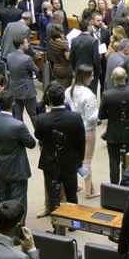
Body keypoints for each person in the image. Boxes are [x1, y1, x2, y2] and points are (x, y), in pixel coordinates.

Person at [34, 82, 85, 214]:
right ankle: (73, 222)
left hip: (51, 162)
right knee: (71, 194)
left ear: (49, 99)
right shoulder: (75, 117)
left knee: (53, 196)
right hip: (70, 162)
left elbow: (38, 136)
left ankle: (56, 226)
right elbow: (81, 141)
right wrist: (79, 160)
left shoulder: (41, 119)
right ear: (64, 98)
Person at [0, 91, 35, 214]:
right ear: (13, 103)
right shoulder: (18, 125)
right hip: (17, 168)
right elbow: (31, 144)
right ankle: (18, 227)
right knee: (18, 201)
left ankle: (2, 225)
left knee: (1, 199)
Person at [99, 67, 129, 184]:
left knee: (113, 161)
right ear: (126, 77)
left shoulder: (107, 95)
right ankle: (128, 183)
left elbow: (101, 115)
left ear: (113, 78)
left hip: (113, 132)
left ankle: (114, 186)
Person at [65, 65, 99, 198]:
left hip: (71, 129)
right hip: (87, 130)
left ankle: (82, 185)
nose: (93, 78)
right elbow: (91, 118)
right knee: (87, 161)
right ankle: (88, 191)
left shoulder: (68, 90)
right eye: (91, 75)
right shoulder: (89, 94)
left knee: (75, 158)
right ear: (86, 77)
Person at [7, 37, 40, 123]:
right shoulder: (27, 59)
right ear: (21, 45)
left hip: (14, 89)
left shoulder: (9, 56)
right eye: (26, 43)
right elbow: (37, 71)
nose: (28, 44)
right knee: (33, 115)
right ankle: (39, 135)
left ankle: (19, 135)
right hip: (27, 91)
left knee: (17, 116)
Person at [70, 20, 101, 94]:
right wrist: (97, 72)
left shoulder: (74, 40)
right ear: (88, 27)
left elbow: (72, 58)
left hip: (78, 72)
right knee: (91, 93)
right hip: (90, 73)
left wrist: (74, 70)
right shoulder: (94, 41)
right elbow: (96, 59)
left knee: (78, 93)